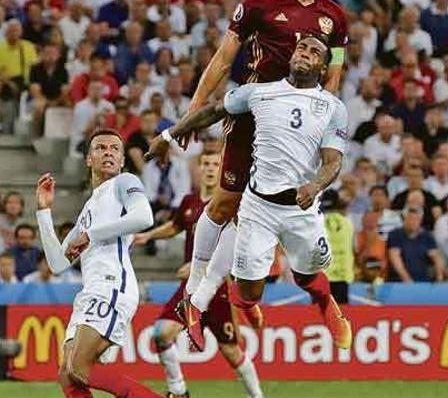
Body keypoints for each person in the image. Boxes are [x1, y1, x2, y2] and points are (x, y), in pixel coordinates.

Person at [169, 0, 350, 340]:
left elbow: (334, 74)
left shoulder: (334, 17)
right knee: (223, 204)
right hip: (252, 113)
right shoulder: (260, 2)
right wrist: (194, 110)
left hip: (298, 126)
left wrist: (321, 122)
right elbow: (222, 58)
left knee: (290, 219)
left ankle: (306, 299)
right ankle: (196, 295)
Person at [147, 34, 351, 352]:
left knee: (308, 278)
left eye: (314, 51)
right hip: (258, 207)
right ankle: (248, 304)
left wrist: (315, 185)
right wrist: (170, 134)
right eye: (300, 47)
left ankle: (328, 305)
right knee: (249, 294)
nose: (305, 52)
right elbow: (212, 111)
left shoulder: (332, 108)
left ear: (323, 67)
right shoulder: (259, 93)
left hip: (301, 209)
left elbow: (333, 162)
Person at [35, 128, 164, 398]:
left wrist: (90, 235)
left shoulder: (124, 182)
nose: (108, 152)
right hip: (91, 289)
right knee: (67, 374)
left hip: (113, 284)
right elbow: (58, 263)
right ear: (88, 159)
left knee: (79, 368)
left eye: (114, 149)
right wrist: (44, 211)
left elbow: (144, 217)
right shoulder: (87, 210)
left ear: (121, 161)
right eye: (100, 148)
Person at [133, 151, 264, 398]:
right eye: (206, 163)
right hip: (190, 288)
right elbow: (175, 226)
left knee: (231, 352)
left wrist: (197, 264)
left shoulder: (231, 205)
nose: (211, 168)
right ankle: (179, 390)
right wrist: (148, 236)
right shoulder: (189, 201)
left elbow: (236, 243)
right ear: (199, 168)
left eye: (216, 164)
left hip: (218, 290)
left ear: (223, 168)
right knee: (161, 333)